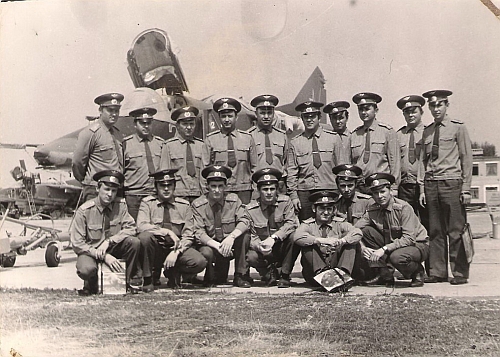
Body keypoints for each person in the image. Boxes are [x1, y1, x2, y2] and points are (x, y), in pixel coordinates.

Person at [418, 90, 473, 285]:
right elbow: (422, 162)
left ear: (446, 105)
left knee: (456, 230)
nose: (435, 109)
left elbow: (467, 158)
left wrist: (466, 188)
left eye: (439, 104)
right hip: (432, 184)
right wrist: (423, 188)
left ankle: (459, 273)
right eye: (432, 105)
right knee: (435, 231)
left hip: (452, 182)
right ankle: (438, 271)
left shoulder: (458, 128)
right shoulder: (427, 131)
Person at [71, 170, 141, 295]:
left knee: (134, 242)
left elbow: (131, 228)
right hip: (91, 252)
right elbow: (77, 243)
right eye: (107, 189)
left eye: (114, 191)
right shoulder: (84, 211)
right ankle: (91, 284)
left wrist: (110, 241)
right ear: (98, 188)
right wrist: (103, 256)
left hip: (113, 249)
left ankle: (125, 281)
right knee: (85, 269)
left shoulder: (121, 206)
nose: (110, 194)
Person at [136, 169, 206, 289]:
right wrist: (166, 231)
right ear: (156, 187)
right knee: (144, 237)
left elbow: (188, 235)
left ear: (174, 186)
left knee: (199, 262)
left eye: (170, 185)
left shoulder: (184, 206)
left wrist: (176, 252)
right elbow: (141, 226)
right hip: (156, 249)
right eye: (162, 185)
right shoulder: (148, 203)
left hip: (176, 248)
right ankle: (148, 279)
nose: (166, 189)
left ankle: (174, 272)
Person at [355, 173, 429, 287]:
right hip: (393, 243)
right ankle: (385, 275)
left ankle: (417, 271)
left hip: (417, 244)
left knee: (397, 257)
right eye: (375, 193)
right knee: (366, 232)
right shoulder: (373, 209)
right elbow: (354, 230)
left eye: (383, 191)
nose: (380, 196)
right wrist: (362, 247)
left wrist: (383, 249)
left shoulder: (403, 208)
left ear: (390, 191)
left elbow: (409, 238)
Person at [287, 101, 349, 221]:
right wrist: (294, 196)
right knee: (307, 225)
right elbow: (292, 172)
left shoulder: (334, 138)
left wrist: (342, 190)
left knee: (331, 224)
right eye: (306, 117)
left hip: (329, 188)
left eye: (313, 116)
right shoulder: (295, 142)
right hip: (305, 192)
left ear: (319, 117)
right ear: (302, 119)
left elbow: (342, 168)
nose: (309, 120)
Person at [191, 165, 251, 287]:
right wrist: (217, 246)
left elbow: (245, 220)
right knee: (206, 253)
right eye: (213, 186)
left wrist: (232, 237)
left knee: (244, 237)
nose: (217, 190)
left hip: (229, 245)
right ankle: (210, 274)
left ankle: (240, 275)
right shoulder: (198, 205)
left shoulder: (234, 200)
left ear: (225, 186)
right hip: (212, 246)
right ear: (207, 186)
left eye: (220, 186)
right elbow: (198, 232)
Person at [238, 168, 299, 288]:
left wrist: (274, 238)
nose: (269, 192)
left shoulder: (285, 202)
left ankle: (285, 276)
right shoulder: (250, 209)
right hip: (263, 250)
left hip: (280, 246)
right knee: (251, 256)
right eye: (265, 189)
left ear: (277, 190)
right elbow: (252, 234)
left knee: (295, 236)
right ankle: (267, 272)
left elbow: (291, 224)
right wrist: (259, 246)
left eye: (272, 189)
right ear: (258, 191)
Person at [293, 191, 362, 288]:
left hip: (336, 265)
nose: (326, 212)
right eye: (321, 208)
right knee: (308, 242)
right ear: (314, 209)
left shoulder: (340, 223)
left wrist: (343, 241)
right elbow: (297, 236)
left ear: (334, 210)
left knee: (350, 239)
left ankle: (342, 275)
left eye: (329, 209)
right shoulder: (308, 225)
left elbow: (357, 232)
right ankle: (325, 277)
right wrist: (320, 240)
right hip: (315, 274)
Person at [202, 97, 257, 204]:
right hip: (221, 189)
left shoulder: (247, 138)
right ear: (219, 118)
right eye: (223, 116)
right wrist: (206, 192)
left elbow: (254, 167)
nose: (227, 119)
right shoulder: (210, 140)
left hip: (244, 190)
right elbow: (205, 168)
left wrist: (255, 192)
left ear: (236, 117)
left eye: (230, 116)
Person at [72, 93, 125, 203]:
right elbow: (77, 162)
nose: (114, 114)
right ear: (100, 110)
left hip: (115, 189)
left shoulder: (118, 135)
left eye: (117, 111)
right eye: (110, 110)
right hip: (95, 190)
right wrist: (88, 181)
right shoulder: (90, 133)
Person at [350, 92, 401, 195]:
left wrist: (394, 187)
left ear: (376, 110)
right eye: (361, 109)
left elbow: (395, 162)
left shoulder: (387, 132)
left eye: (367, 109)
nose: (364, 112)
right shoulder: (354, 135)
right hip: (360, 187)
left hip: (380, 187)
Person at [122, 107, 164, 221]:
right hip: (133, 196)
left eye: (149, 123)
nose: (146, 126)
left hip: (154, 195)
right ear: (135, 124)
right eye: (142, 123)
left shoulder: (160, 144)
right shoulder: (126, 144)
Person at [396, 95, 429, 231]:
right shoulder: (398, 134)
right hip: (404, 187)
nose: (410, 115)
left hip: (424, 185)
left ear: (421, 112)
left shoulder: (428, 132)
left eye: (414, 111)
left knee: (428, 222)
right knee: (407, 223)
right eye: (407, 112)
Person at [160, 106, 204, 202]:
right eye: (185, 124)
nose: (189, 127)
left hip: (198, 194)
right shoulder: (168, 146)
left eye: (191, 124)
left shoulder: (202, 146)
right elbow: (165, 173)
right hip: (177, 195)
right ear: (177, 126)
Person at [248, 95, 288, 192]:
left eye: (269, 113)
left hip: (278, 186)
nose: (266, 116)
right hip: (256, 187)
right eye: (262, 113)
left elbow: (287, 162)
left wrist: (283, 178)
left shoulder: (282, 135)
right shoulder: (248, 136)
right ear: (256, 114)